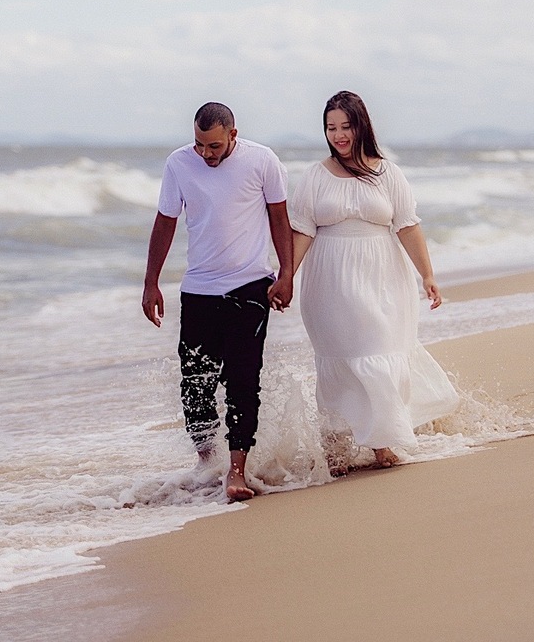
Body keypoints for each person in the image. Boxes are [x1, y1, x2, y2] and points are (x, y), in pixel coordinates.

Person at [289, 90, 459, 470]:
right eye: (331, 128)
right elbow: (301, 231)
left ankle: (383, 442)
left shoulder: (388, 173)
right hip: (329, 283)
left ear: (361, 125)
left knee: (380, 350)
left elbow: (407, 225)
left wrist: (427, 275)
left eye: (345, 126)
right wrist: (286, 278)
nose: (338, 135)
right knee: (339, 358)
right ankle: (336, 447)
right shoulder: (315, 176)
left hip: (383, 279)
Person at [142, 102, 294, 501]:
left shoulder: (262, 161)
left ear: (232, 135)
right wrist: (151, 283)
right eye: (199, 144)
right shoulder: (179, 164)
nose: (206, 153)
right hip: (198, 291)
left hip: (250, 288)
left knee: (244, 382)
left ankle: (237, 470)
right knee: (196, 383)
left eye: (213, 145)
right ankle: (208, 462)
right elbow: (165, 222)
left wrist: (287, 274)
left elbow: (280, 218)